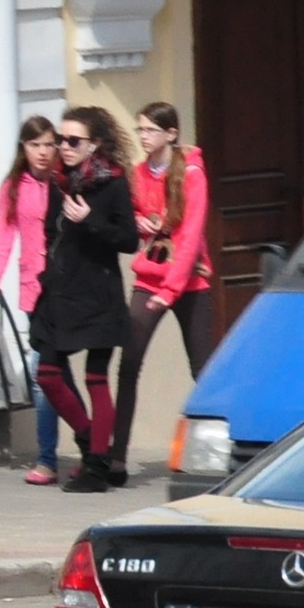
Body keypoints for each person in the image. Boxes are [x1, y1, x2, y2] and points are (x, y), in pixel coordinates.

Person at [30, 107, 139, 493]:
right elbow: (49, 232)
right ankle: (92, 443)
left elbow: (129, 239)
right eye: (62, 139)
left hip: (97, 297)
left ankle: (95, 469)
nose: (64, 146)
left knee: (96, 379)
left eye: (73, 141)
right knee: (47, 374)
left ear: (94, 145)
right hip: (59, 295)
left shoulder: (112, 184)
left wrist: (90, 220)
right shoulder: (60, 181)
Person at [108, 101, 211, 484]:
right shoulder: (138, 175)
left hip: (189, 281)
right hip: (150, 276)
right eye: (140, 130)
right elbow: (135, 221)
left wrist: (170, 292)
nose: (143, 136)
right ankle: (117, 459)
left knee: (202, 368)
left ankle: (225, 450)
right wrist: (141, 222)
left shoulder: (192, 173)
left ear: (171, 134)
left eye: (150, 130)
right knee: (129, 362)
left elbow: (190, 236)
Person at [0, 116, 64, 486]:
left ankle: (91, 449)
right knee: (45, 375)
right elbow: (4, 238)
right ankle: (47, 459)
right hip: (35, 291)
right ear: (23, 149)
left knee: (57, 376)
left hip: (69, 289)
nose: (43, 153)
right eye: (35, 145)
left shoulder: (66, 182)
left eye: (48, 144)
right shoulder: (13, 187)